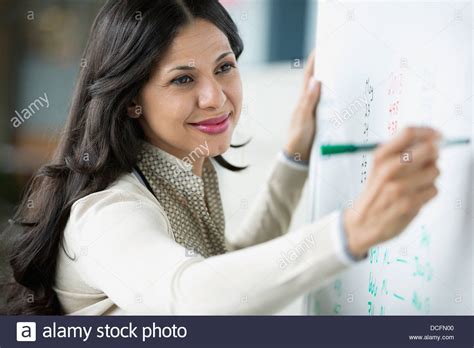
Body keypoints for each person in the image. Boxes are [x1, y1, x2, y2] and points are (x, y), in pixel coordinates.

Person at [1, 0, 440, 315]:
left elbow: (228, 267)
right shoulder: (108, 213)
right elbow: (190, 297)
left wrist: (297, 154)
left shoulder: (184, 171)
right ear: (131, 97)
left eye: (224, 67)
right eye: (183, 79)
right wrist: (351, 232)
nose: (215, 98)